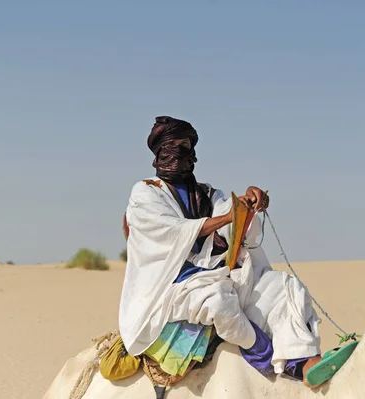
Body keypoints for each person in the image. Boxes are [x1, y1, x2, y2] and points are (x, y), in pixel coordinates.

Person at [119, 116, 326, 387]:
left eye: (187, 145)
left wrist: (248, 206)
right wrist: (229, 216)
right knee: (218, 300)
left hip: (215, 274)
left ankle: (305, 362)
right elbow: (174, 230)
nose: (182, 152)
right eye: (175, 146)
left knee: (282, 285)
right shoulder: (145, 193)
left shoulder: (205, 194)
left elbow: (232, 222)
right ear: (160, 152)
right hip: (167, 289)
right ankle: (264, 354)